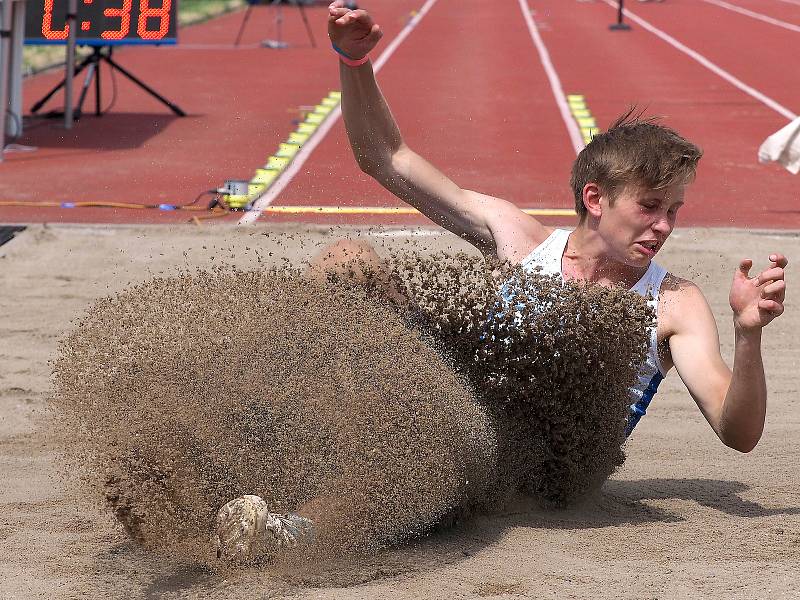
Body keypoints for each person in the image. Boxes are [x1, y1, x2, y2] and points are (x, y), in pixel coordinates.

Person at [213, 0, 788, 559]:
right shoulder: (519, 240)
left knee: (433, 441)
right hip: (454, 403)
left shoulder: (673, 302)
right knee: (347, 262)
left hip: (530, 469)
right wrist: (355, 63)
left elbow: (737, 432)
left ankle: (298, 531)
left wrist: (748, 334)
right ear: (595, 198)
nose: (664, 226)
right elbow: (386, 158)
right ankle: (269, 441)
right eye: (650, 207)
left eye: (675, 210)